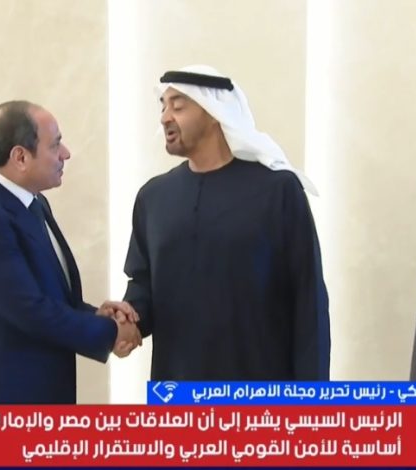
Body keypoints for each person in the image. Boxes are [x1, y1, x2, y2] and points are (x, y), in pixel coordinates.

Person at [123, 65, 330, 381]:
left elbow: (308, 300)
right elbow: (143, 287)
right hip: (178, 393)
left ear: (213, 113)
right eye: (163, 106)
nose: (165, 117)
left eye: (178, 106)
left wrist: (311, 398)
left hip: (261, 392)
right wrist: (125, 321)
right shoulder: (153, 198)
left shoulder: (277, 191)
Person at [0, 100, 141, 404]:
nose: (66, 153)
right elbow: (29, 310)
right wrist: (111, 332)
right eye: (55, 145)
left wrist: (95, 314)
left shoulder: (32, 202)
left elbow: (45, 296)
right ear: (20, 157)